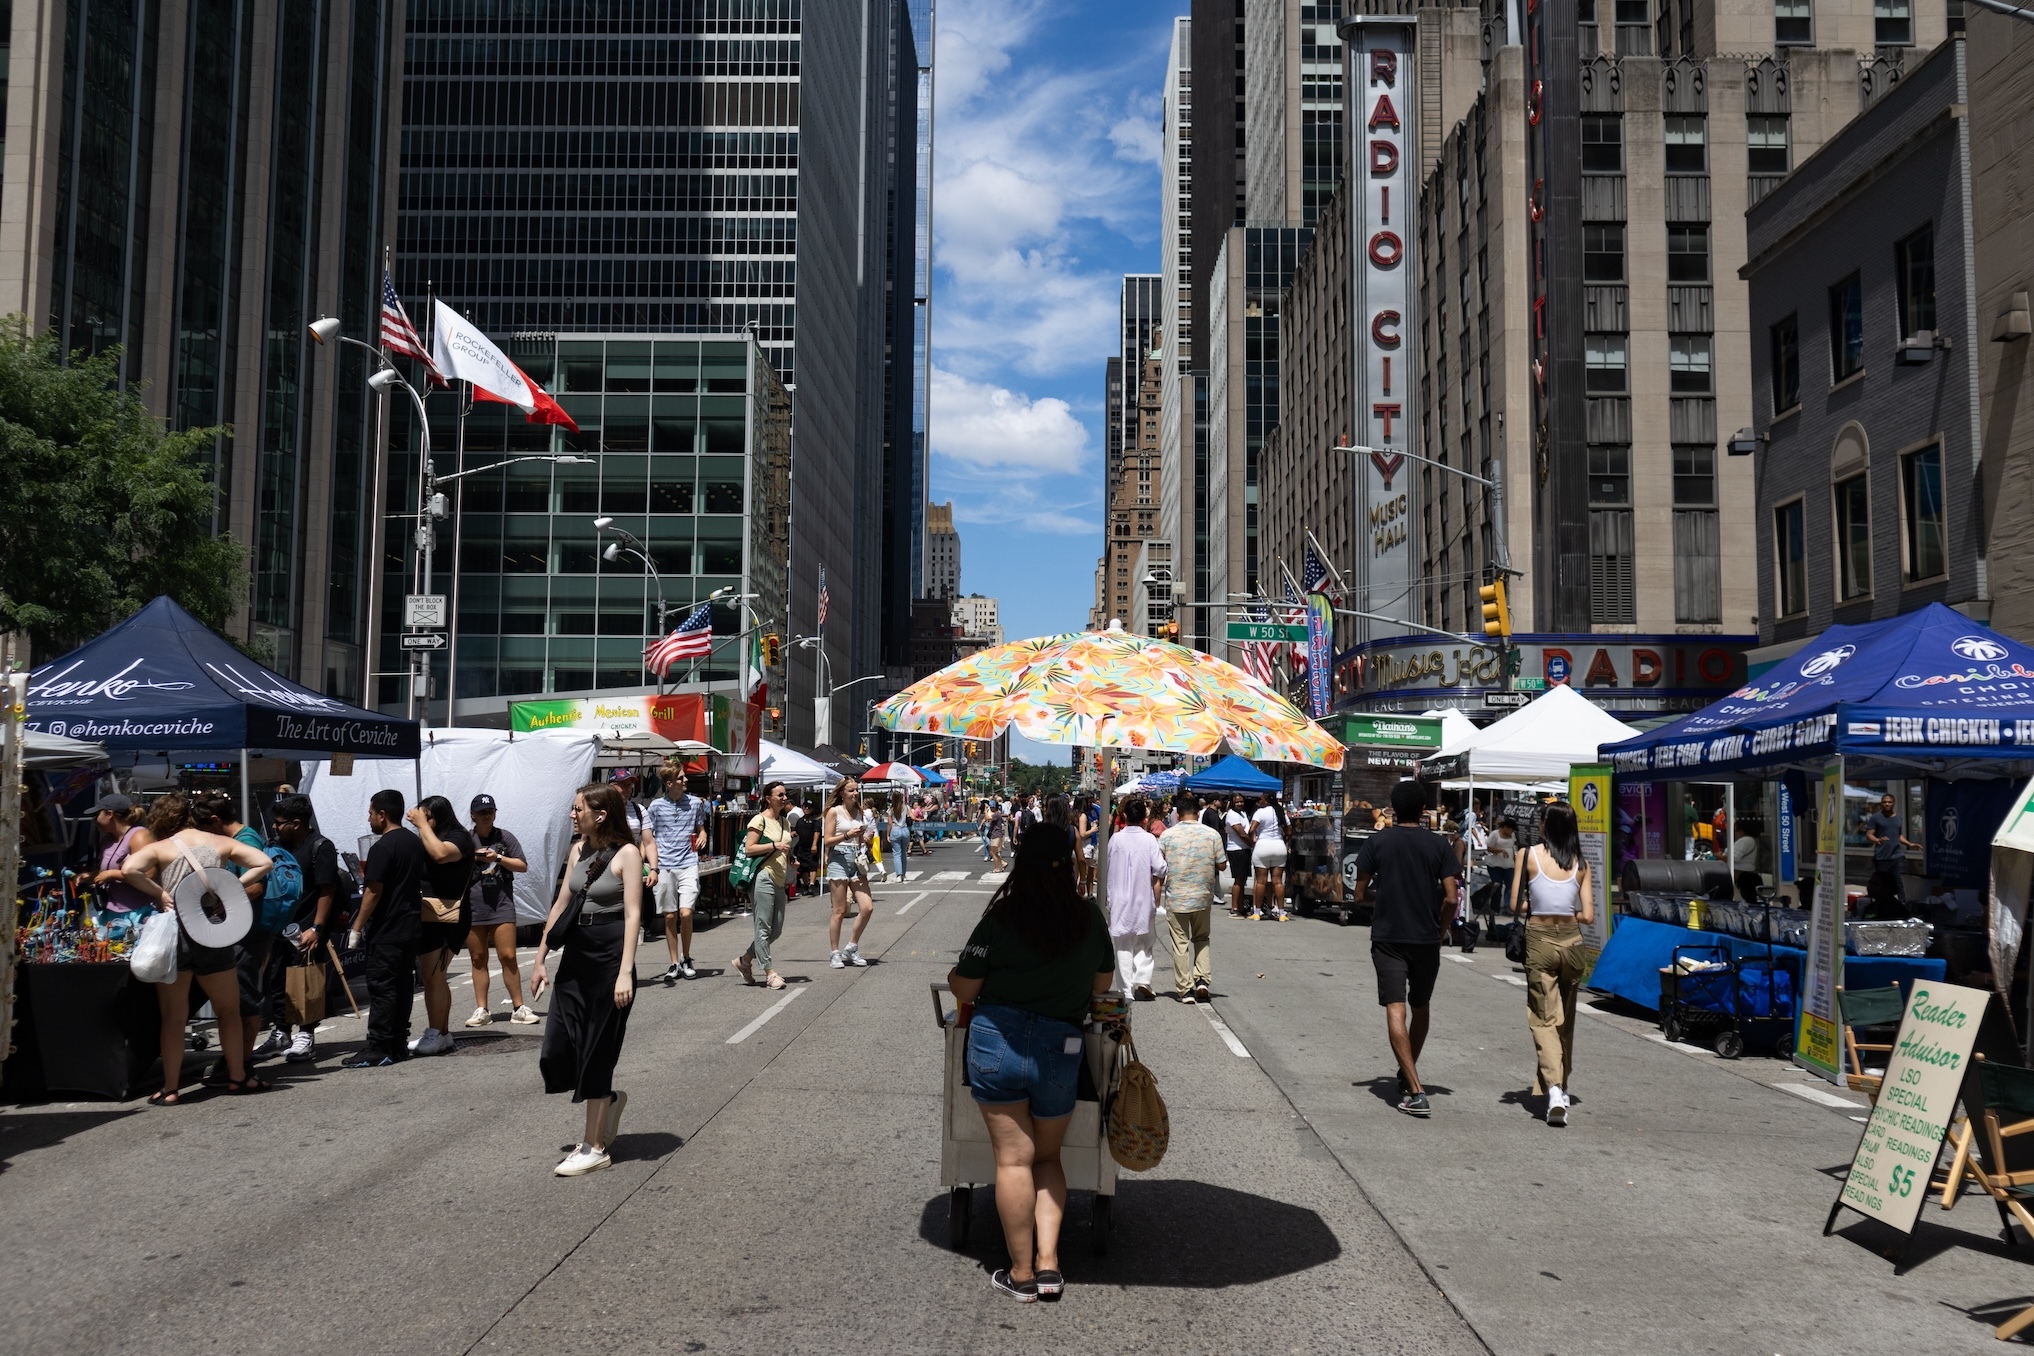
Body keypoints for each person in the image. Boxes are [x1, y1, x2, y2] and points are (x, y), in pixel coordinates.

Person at [946, 826, 1118, 1302]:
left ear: (1022, 863)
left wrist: (956, 975)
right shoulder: (1087, 918)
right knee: (1046, 1157)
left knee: (1012, 1160)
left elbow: (965, 988)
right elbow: (1101, 987)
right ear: (1070, 863)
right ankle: (1049, 1264)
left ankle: (1019, 1272)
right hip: (1059, 1046)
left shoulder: (1002, 917)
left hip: (995, 1042)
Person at [118, 794, 275, 1102]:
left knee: (174, 1017)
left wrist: (160, 893)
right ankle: (237, 1078)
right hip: (211, 934)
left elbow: (129, 869)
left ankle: (171, 1088)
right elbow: (264, 862)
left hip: (176, 933)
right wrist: (230, 888)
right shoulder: (218, 842)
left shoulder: (160, 848)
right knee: (228, 1012)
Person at [533, 784, 644, 1177]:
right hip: (577, 954)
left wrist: (626, 971)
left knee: (598, 1047)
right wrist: (541, 957)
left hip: (611, 955)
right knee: (557, 1047)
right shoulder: (578, 850)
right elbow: (561, 904)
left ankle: (594, 1146)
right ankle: (607, 1100)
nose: (571, 814)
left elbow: (633, 914)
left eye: (577, 808)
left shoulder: (628, 854)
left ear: (600, 814)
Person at [1354, 780, 1460, 1118]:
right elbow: (1452, 897)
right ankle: (1408, 1072)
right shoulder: (1439, 845)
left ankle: (1415, 1089)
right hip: (1427, 938)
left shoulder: (1377, 842)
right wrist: (1440, 930)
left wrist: (1382, 897)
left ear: (1393, 809)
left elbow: (1358, 895)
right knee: (1422, 1006)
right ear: (1424, 810)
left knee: (1395, 1008)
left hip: (1388, 937)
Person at [1508, 800, 1592, 1127]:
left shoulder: (1527, 856)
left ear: (1544, 825)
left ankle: (1555, 1090)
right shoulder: (1581, 863)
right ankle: (1562, 1084)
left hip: (1540, 938)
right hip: (1573, 940)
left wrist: (1533, 900)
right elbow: (1588, 915)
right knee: (1565, 1018)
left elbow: (1515, 903)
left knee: (1543, 1016)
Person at [344, 789, 431, 1068]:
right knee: (403, 986)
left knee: (382, 987)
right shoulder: (412, 842)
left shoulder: (382, 847)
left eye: (371, 813)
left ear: (382, 815)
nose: (368, 818)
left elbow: (372, 892)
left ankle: (379, 1045)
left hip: (388, 928)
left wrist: (356, 927)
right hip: (410, 926)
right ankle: (397, 1043)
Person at [264, 794, 344, 1064]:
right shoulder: (276, 846)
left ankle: (306, 1035)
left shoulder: (320, 847)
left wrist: (317, 927)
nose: (274, 827)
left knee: (306, 980)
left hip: (307, 927)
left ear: (296, 823)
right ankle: (281, 1032)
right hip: (279, 926)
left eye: (279, 822)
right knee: (277, 980)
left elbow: (327, 891)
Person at [405, 796, 476, 1057]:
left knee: (433, 976)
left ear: (440, 815)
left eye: (429, 817)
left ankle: (435, 1032)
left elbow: (440, 854)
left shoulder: (458, 837)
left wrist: (422, 825)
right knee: (435, 977)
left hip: (449, 917)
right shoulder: (430, 836)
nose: (425, 822)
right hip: (431, 915)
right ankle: (441, 1033)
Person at [464, 793, 535, 1027]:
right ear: (472, 815)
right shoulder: (465, 839)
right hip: (473, 906)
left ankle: (518, 1008)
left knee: (508, 956)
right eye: (481, 812)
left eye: (490, 811)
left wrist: (499, 857)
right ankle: (482, 1009)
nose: (486, 816)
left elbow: (522, 865)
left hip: (501, 904)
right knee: (478, 958)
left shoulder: (505, 837)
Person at [640, 765, 709, 982]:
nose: (686, 779)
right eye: (681, 777)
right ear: (669, 783)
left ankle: (686, 957)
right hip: (665, 864)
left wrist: (703, 834)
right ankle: (673, 962)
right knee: (670, 915)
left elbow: (700, 827)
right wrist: (644, 863)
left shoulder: (696, 803)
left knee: (686, 912)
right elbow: (648, 838)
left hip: (688, 862)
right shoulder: (656, 807)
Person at [1158, 796, 1222, 1003]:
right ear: (1198, 813)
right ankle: (1202, 980)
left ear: (1177, 814)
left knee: (1180, 943)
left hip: (1177, 897)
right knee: (1202, 938)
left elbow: (1159, 866)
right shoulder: (1212, 834)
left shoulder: (1167, 836)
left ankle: (1185, 990)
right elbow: (1222, 864)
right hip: (1202, 896)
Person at [1105, 797, 1167, 1001]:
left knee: (1123, 944)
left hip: (1119, 897)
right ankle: (1142, 980)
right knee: (1145, 941)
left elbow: (1107, 865)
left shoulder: (1115, 839)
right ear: (1144, 818)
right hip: (1142, 896)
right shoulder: (1149, 839)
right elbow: (1160, 868)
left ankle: (1125, 989)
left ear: (1124, 816)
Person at [735, 781, 795, 989]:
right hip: (763, 877)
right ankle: (770, 973)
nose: (784, 798)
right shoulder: (758, 820)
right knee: (763, 928)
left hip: (780, 878)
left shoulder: (784, 821)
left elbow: (785, 847)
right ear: (768, 798)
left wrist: (791, 858)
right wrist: (773, 845)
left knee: (776, 930)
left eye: (785, 794)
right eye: (780, 795)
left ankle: (744, 960)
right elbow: (749, 848)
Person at [824, 780, 876, 968]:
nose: (855, 794)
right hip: (839, 859)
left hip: (856, 859)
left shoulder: (860, 812)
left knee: (867, 907)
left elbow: (859, 837)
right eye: (851, 791)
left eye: (856, 790)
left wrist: (864, 837)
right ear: (842, 793)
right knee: (839, 911)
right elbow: (828, 841)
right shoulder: (834, 812)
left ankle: (852, 946)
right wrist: (848, 835)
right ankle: (835, 953)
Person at [89, 792, 154, 929]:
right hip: (112, 912)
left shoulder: (139, 836)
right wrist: (89, 876)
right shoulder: (107, 840)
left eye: (96, 815)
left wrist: (112, 874)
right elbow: (104, 871)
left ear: (109, 814)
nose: (94, 819)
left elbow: (149, 874)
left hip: (138, 913)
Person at [1863, 792, 1916, 913]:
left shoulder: (1898, 818)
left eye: (1889, 802)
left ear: (1894, 803)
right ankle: (1881, 907)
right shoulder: (1876, 817)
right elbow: (1869, 834)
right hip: (1882, 857)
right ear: (1881, 803)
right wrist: (1877, 840)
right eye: (1884, 802)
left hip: (1897, 856)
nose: (1887, 804)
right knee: (1882, 885)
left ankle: (1904, 907)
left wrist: (1909, 844)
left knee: (1900, 882)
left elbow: (1898, 835)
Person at [1250, 791, 1291, 922]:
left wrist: (1253, 838)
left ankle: (1257, 912)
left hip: (1263, 846)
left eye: (1261, 799)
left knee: (1261, 881)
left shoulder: (1260, 812)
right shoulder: (1280, 812)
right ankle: (1282, 913)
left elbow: (1251, 829)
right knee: (1278, 881)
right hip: (1279, 846)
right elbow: (1289, 830)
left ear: (1266, 800)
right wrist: (1282, 840)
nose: (1259, 802)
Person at [1482, 818, 1519, 929]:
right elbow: (1489, 848)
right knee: (1497, 886)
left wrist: (1515, 861)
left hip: (1509, 865)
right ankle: (1495, 908)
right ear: (1506, 827)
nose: (1511, 832)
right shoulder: (1495, 835)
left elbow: (1512, 848)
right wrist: (1501, 851)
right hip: (1495, 865)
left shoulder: (1512, 836)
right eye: (1511, 830)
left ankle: (1509, 907)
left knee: (1510, 886)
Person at [1222, 793, 1253, 917]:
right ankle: (1234, 908)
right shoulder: (1232, 815)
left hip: (1244, 849)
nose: (1240, 804)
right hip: (1236, 850)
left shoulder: (1243, 813)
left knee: (1243, 879)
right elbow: (1241, 833)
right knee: (1238, 879)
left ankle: (1241, 907)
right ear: (1232, 803)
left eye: (1241, 801)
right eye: (1237, 802)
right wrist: (1252, 844)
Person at [1732, 822, 1762, 905]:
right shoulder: (1749, 840)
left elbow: (1734, 857)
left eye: (1735, 831)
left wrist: (1720, 857)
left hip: (1741, 873)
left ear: (1741, 831)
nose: (1734, 833)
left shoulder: (1745, 840)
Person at [888, 794, 913, 882]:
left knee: (896, 854)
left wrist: (888, 834)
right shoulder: (906, 807)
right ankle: (904, 874)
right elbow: (912, 817)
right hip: (905, 830)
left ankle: (899, 874)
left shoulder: (891, 809)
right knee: (903, 853)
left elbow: (890, 824)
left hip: (895, 830)